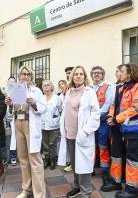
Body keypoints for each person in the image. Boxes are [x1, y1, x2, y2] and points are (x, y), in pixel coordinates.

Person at [101, 64, 138, 198]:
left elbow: (137, 107)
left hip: (132, 129)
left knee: (131, 158)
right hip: (117, 128)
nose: (118, 73)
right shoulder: (119, 87)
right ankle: (116, 182)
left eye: (121, 71)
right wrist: (111, 116)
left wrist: (116, 119)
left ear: (130, 73)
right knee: (115, 156)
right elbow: (113, 105)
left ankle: (132, 189)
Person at [5, 66, 47, 198]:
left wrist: (34, 104)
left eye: (28, 74)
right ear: (19, 76)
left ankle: (39, 193)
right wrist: (10, 105)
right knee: (23, 159)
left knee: (35, 160)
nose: (25, 76)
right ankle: (26, 189)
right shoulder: (16, 89)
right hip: (18, 124)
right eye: (23, 74)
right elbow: (11, 112)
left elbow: (44, 108)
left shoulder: (36, 90)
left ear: (31, 76)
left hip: (30, 124)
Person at [64, 66, 100, 198]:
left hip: (82, 135)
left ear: (85, 77)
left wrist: (85, 131)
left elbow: (95, 114)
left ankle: (86, 192)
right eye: (76, 74)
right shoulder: (68, 91)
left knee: (83, 165)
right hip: (69, 134)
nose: (78, 76)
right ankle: (77, 186)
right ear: (72, 77)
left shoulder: (89, 92)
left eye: (81, 74)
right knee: (74, 163)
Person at [90, 66, 115, 184]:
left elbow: (108, 103)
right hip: (90, 121)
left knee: (103, 145)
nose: (96, 75)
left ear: (103, 75)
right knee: (91, 144)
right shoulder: (88, 88)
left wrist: (96, 115)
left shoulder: (109, 86)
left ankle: (105, 171)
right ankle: (91, 168)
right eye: (94, 73)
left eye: (99, 73)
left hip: (103, 120)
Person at [41, 80, 62, 170]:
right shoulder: (41, 98)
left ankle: (53, 160)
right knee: (45, 144)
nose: (46, 86)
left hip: (54, 125)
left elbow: (61, 110)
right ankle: (46, 160)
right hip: (43, 124)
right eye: (44, 85)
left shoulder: (56, 98)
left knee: (52, 143)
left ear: (51, 87)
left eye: (48, 85)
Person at [2, 76, 17, 166]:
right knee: (4, 139)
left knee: (13, 139)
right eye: (10, 82)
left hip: (14, 119)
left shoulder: (18, 92)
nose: (11, 83)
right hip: (4, 118)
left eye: (13, 82)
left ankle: (13, 157)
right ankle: (4, 158)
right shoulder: (3, 93)